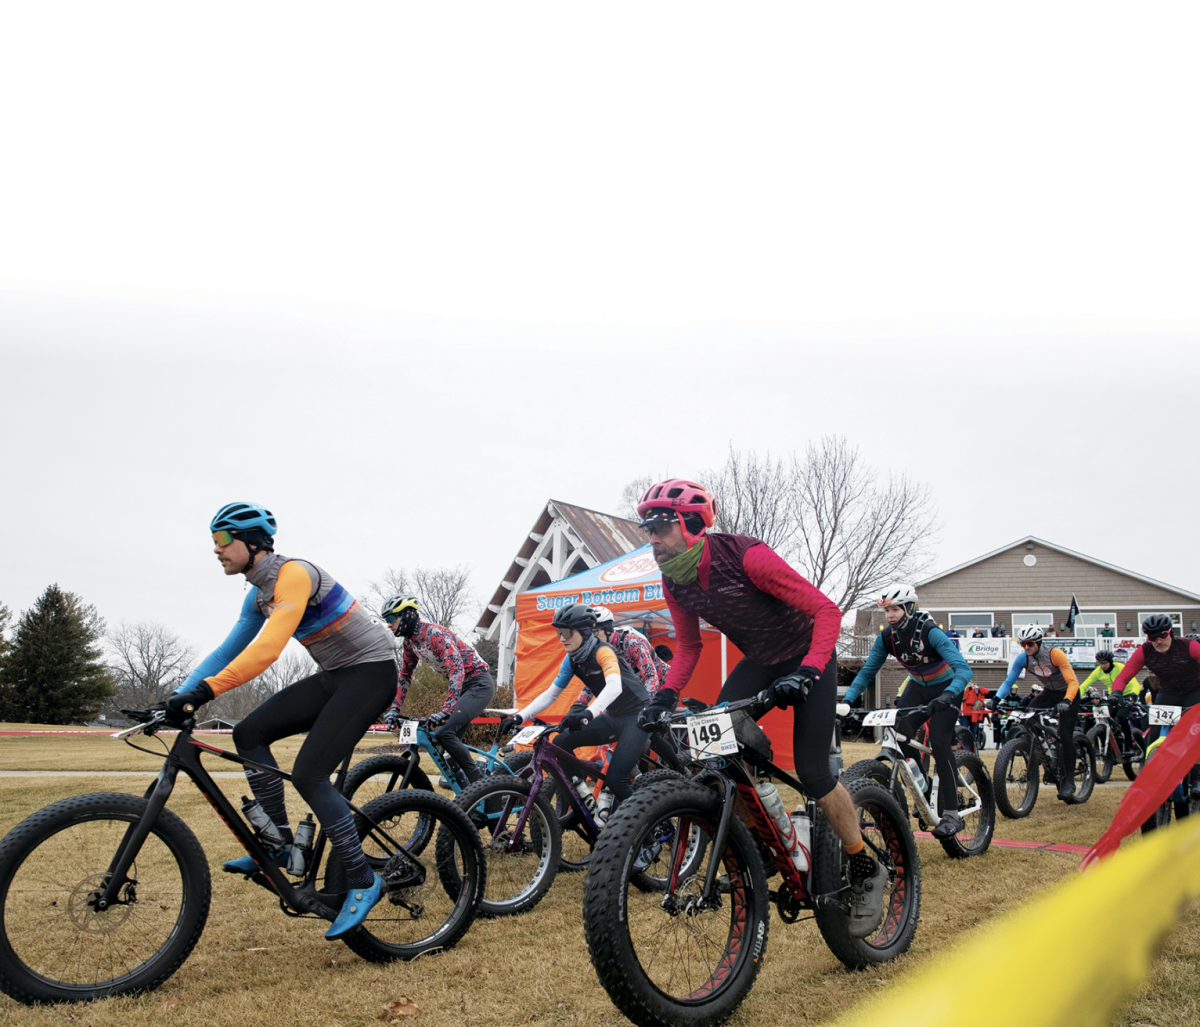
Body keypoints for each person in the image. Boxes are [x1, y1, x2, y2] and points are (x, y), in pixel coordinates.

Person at [631, 478, 888, 938]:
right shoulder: (676, 582)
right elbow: (688, 647)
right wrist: (663, 697)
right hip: (762, 662)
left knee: (814, 773)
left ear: (692, 524)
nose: (652, 539)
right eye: (647, 529)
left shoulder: (746, 556)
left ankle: (865, 866)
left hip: (810, 654)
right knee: (718, 753)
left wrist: (808, 671)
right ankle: (769, 846)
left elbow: (826, 611)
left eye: (661, 527)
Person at [160, 503, 398, 938]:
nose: (216, 550)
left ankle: (364, 881)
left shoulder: (294, 575)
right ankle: (281, 842)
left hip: (372, 672)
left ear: (252, 542)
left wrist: (207, 691)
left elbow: (269, 648)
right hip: (336, 675)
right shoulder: (257, 594)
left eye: (222, 540)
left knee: (309, 773)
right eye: (213, 542)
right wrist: (178, 696)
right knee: (249, 733)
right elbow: (225, 651)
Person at [499, 603, 649, 823]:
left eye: (567, 632)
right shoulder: (572, 658)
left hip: (637, 716)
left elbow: (614, 686)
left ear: (585, 630)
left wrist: (588, 713)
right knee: (560, 742)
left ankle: (649, 830)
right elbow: (551, 694)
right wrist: (519, 716)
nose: (561, 638)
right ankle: (584, 799)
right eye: (559, 632)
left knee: (616, 780)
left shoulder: (603, 651)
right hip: (615, 716)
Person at [844, 586, 973, 839]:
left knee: (938, 740)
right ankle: (923, 787)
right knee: (900, 730)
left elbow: (964, 669)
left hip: (948, 687)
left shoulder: (930, 632)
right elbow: (868, 670)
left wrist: (948, 695)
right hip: (918, 686)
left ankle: (951, 814)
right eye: (887, 610)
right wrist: (848, 700)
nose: (890, 615)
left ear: (909, 608)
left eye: (895, 609)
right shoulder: (887, 638)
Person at [380, 595, 496, 786]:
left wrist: (446, 709)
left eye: (391, 619)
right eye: (386, 621)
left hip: (479, 684)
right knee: (447, 753)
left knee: (443, 732)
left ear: (407, 616)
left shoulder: (433, 634)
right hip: (464, 687)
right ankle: (468, 798)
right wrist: (395, 708)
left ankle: (481, 787)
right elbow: (405, 676)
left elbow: (456, 668)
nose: (388, 625)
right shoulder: (410, 643)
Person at [1111, 615, 1200, 799]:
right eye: (1152, 638)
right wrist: (1117, 692)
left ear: (1170, 633)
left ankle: (1197, 777)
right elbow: (1124, 675)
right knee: (1154, 734)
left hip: (1195, 691)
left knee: (1195, 734)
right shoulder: (1145, 651)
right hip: (1168, 694)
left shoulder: (1188, 646)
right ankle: (1153, 775)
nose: (1158, 641)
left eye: (1162, 636)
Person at [992, 625, 1082, 801]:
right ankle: (1047, 762)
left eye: (1029, 643)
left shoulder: (1055, 654)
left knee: (1065, 735)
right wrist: (996, 699)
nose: (1026, 647)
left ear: (1038, 642)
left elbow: (1073, 682)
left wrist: (1067, 701)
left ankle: (1069, 780)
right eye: (1023, 643)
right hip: (1049, 692)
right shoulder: (1022, 659)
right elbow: (1009, 681)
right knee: (1028, 718)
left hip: (1069, 694)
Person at [1079, 649, 1140, 752]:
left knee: (1121, 717)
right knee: (1105, 717)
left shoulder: (1120, 667)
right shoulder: (1098, 671)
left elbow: (1135, 683)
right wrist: (1075, 699)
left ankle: (1129, 745)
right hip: (1114, 696)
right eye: (1100, 663)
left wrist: (1133, 696)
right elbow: (1085, 685)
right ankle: (1112, 742)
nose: (1103, 666)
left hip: (1128, 695)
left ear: (1110, 661)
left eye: (1105, 663)